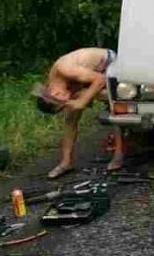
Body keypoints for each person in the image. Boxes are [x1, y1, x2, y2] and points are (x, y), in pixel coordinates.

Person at [33, 48, 123, 179]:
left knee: (114, 104)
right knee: (70, 119)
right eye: (63, 104)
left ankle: (119, 154)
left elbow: (101, 79)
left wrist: (83, 100)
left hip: (108, 64)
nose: (66, 101)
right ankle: (66, 162)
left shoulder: (65, 69)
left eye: (63, 101)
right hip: (86, 78)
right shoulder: (54, 88)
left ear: (55, 94)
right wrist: (74, 101)